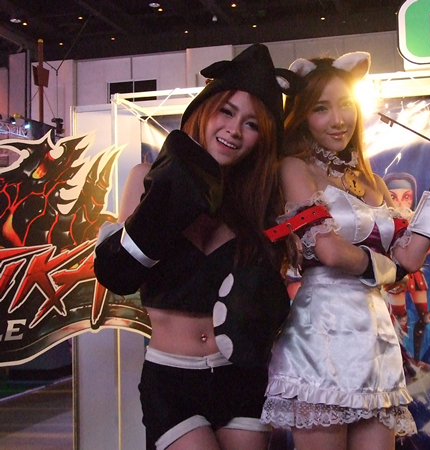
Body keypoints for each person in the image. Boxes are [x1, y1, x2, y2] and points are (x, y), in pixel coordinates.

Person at [93, 44, 301, 450]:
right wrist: (170, 201)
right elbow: (119, 275)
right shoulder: (147, 178)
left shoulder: (259, 201)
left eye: (252, 124)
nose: (234, 130)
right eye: (227, 112)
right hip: (172, 377)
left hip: (241, 375)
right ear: (204, 110)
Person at [260, 52, 430, 450]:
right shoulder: (294, 168)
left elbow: (410, 258)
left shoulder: (372, 182)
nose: (338, 120)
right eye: (321, 108)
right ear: (302, 116)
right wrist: (389, 270)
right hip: (321, 337)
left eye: (346, 105)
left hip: (375, 340)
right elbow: (330, 252)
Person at [383, 172, 430, 363]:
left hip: (415, 274)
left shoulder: (416, 221)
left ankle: (416, 360)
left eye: (406, 197)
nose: (400, 202)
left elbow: (428, 248)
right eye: (393, 197)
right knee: (399, 318)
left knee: (425, 316)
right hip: (393, 273)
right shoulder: (383, 222)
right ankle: (400, 361)